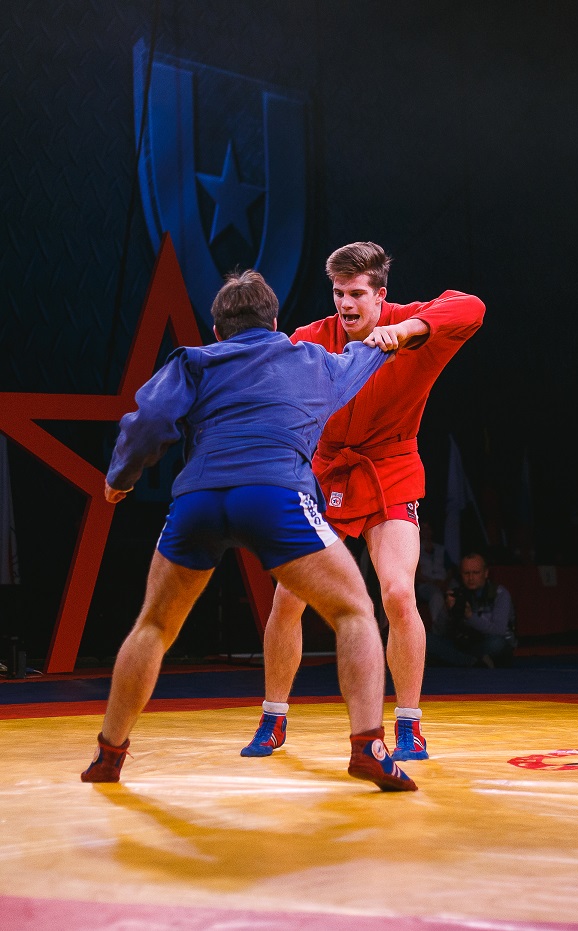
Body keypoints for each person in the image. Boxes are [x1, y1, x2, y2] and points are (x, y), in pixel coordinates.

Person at [80, 269, 417, 792]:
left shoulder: (194, 360)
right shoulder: (310, 360)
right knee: (354, 610)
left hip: (199, 500)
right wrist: (398, 333)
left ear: (218, 330)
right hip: (274, 495)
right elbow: (367, 355)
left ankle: (108, 756)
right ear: (276, 323)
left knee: (154, 626)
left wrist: (120, 478)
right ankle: (368, 747)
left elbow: (148, 422)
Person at [241, 242, 485, 761]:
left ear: (380, 295)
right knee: (288, 597)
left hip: (390, 469)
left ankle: (409, 725)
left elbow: (472, 307)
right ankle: (273, 717)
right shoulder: (313, 338)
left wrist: (410, 329)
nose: (345, 303)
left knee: (397, 593)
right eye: (338, 293)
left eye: (355, 293)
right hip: (326, 471)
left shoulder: (412, 329)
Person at [426, 552, 516, 668]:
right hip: (465, 645)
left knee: (498, 644)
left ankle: (461, 661)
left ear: (486, 573)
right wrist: (446, 610)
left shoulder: (500, 594)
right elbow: (437, 632)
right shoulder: (457, 594)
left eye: (476, 573)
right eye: (466, 573)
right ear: (461, 574)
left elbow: (499, 631)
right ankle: (473, 663)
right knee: (426, 640)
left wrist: (470, 616)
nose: (471, 578)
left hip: (488, 643)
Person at [415, 520, 452, 629]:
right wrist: (434, 582)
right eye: (423, 529)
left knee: (456, 591)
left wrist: (445, 582)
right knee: (436, 595)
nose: (426, 531)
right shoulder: (415, 549)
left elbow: (450, 569)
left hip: (444, 581)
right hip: (426, 584)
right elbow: (416, 575)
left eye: (428, 528)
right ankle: (439, 628)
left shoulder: (441, 549)